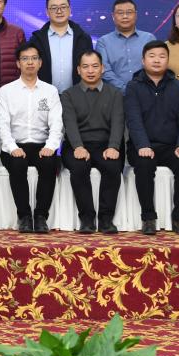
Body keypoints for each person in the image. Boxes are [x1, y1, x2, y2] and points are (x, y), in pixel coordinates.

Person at [124, 41, 179, 236]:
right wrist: (143, 145)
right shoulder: (133, 86)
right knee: (144, 164)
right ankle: (148, 218)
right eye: (152, 56)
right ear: (143, 60)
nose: (157, 60)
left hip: (171, 146)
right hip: (142, 146)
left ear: (168, 60)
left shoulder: (178, 86)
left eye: (162, 56)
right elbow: (133, 119)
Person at [0, 42, 63, 233]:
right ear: (18, 63)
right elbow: (2, 124)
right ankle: (24, 216)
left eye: (34, 58)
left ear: (40, 63)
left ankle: (41, 216)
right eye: (25, 59)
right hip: (15, 145)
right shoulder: (6, 91)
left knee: (49, 163)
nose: (30, 62)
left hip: (42, 145)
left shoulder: (50, 91)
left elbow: (56, 123)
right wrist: (12, 147)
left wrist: (51, 146)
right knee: (17, 165)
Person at [60, 50, 123, 234]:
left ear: (102, 68)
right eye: (85, 66)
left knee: (112, 167)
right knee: (79, 167)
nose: (90, 71)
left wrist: (113, 147)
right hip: (77, 144)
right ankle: (87, 219)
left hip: (105, 144)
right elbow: (70, 124)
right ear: (78, 70)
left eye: (95, 66)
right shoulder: (68, 94)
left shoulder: (115, 93)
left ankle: (106, 220)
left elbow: (118, 123)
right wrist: (78, 146)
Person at [29, 0, 92, 94]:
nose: (59, 11)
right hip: (44, 96)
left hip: (77, 96)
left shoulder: (83, 38)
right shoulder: (36, 40)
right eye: (54, 8)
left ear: (70, 10)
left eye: (63, 7)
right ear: (47, 12)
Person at [95, 0, 156, 92]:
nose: (125, 16)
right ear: (113, 16)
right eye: (120, 13)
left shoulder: (149, 39)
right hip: (114, 95)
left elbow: (155, 66)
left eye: (129, 12)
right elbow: (105, 71)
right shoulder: (103, 42)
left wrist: (141, 90)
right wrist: (126, 90)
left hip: (146, 93)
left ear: (136, 15)